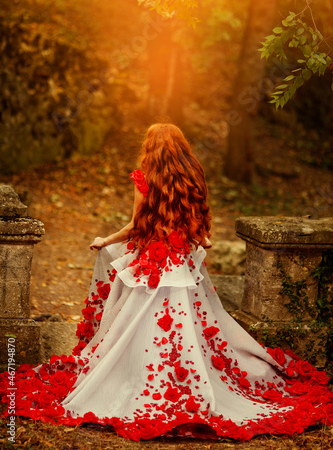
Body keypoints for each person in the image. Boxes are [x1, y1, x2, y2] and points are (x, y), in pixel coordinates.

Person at [0, 123, 332, 441]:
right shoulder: (193, 176)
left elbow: (134, 226)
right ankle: (188, 381)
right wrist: (201, 240)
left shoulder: (144, 178)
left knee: (137, 326)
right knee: (190, 326)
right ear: (180, 149)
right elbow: (197, 216)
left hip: (153, 265)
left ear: (151, 148)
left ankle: (140, 378)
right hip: (181, 265)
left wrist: (105, 239)